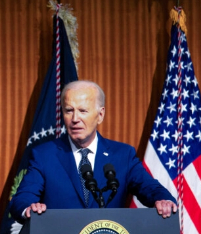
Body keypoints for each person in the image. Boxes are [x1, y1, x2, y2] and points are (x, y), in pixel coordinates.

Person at [10, 80, 177, 223]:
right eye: (69, 111)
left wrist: (163, 200)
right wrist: (29, 209)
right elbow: (22, 199)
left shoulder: (122, 155)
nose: (75, 119)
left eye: (83, 111)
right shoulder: (45, 155)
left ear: (100, 115)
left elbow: (149, 188)